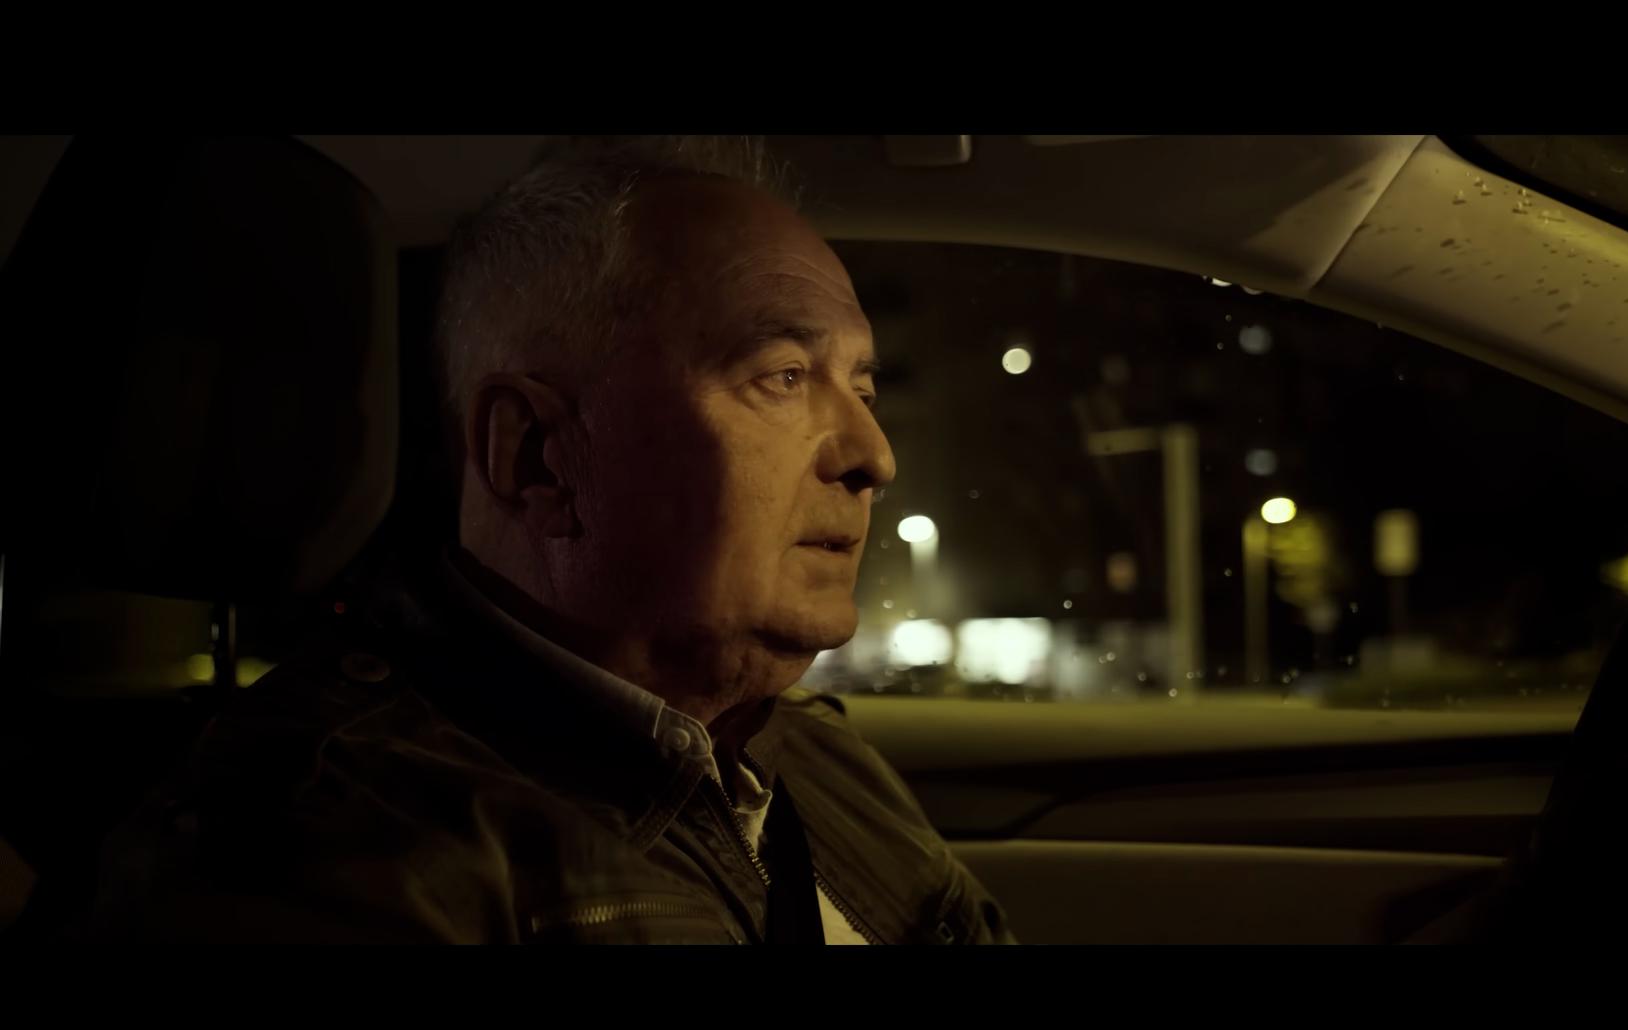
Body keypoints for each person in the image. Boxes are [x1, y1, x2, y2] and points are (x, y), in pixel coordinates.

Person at [91, 136, 1016, 944]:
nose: (873, 456)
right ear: (538, 456)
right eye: (781, 376)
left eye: (863, 388)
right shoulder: (321, 857)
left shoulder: (811, 752)